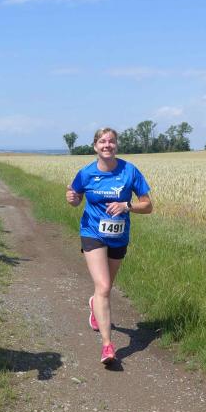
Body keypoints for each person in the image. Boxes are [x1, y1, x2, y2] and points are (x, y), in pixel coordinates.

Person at [65, 127, 152, 365]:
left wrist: (127, 206)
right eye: (102, 141)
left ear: (116, 146)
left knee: (106, 287)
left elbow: (148, 205)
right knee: (103, 286)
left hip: (118, 236)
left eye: (111, 141)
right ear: (95, 146)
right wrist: (72, 199)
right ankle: (107, 346)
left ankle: (95, 304)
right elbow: (75, 197)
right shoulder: (86, 173)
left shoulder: (129, 171)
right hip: (92, 233)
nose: (107, 145)